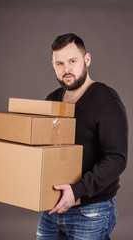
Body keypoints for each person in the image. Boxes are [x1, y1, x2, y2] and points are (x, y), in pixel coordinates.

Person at [36, 33, 128, 240]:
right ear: (53, 65)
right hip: (52, 207)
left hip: (90, 210)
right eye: (59, 63)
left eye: (72, 61)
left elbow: (117, 158)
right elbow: (44, 151)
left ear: (87, 60)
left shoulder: (106, 100)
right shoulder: (52, 101)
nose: (66, 69)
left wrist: (77, 190)